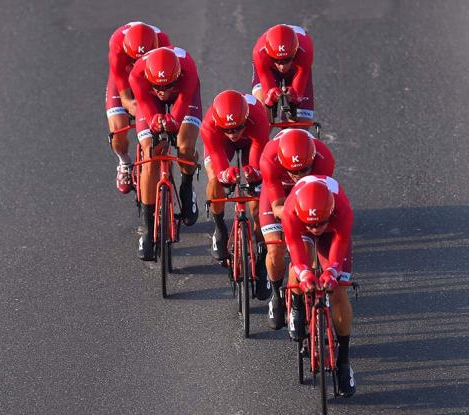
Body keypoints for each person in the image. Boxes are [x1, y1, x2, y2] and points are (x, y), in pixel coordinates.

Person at [281, 175, 356, 397]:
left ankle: (343, 360)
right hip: (298, 229)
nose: (316, 229)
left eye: (320, 223)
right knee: (297, 271)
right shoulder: (290, 212)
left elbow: (340, 242)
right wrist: (305, 272)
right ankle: (297, 306)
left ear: (329, 214)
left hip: (334, 234)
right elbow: (295, 246)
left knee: (339, 290)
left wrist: (332, 271)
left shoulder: (342, 210)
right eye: (312, 225)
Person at [129, 46, 201, 260]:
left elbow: (181, 105)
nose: (163, 91)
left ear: (177, 76)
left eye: (168, 85)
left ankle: (187, 187)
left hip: (184, 98)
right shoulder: (138, 75)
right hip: (148, 101)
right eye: (158, 87)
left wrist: (172, 122)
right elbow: (145, 104)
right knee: (150, 155)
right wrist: (155, 122)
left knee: (185, 146)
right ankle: (148, 228)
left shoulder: (188, 71)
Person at [259, 129, 335, 328]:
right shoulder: (269, 157)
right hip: (278, 196)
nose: (298, 175)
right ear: (282, 163)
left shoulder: (324, 158)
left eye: (304, 169)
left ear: (312, 160)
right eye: (293, 171)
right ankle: (276, 296)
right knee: (276, 251)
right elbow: (277, 207)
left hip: (308, 196)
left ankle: (298, 303)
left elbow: (318, 196)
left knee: (305, 252)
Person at [201, 90, 271, 299]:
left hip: (253, 141)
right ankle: (220, 227)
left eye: (238, 127)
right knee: (215, 178)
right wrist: (225, 175)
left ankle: (262, 258)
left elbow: (258, 156)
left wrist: (253, 175)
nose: (233, 133)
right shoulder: (210, 125)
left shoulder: (258, 117)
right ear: (219, 123)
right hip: (220, 145)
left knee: (258, 200)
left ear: (245, 119)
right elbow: (217, 157)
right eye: (228, 129)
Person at [107, 22, 171, 194]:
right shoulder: (117, 44)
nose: (138, 63)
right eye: (134, 59)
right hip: (124, 76)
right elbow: (121, 81)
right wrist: (129, 103)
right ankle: (124, 161)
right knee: (118, 128)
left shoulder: (164, 43)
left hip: (152, 77)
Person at [251, 24, 314, 122]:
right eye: (277, 60)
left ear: (295, 51)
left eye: (287, 60)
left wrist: (295, 99)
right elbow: (266, 82)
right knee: (263, 114)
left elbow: (301, 76)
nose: (282, 67)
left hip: (297, 68)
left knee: (300, 122)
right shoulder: (259, 52)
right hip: (269, 68)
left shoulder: (305, 49)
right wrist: (270, 98)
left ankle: (286, 124)